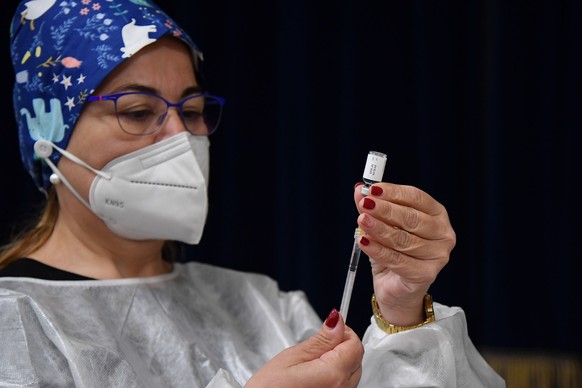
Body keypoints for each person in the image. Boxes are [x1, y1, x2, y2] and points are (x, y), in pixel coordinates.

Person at [1, 1, 505, 387]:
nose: (181, 137)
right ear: (48, 140)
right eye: (137, 111)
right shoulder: (16, 320)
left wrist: (402, 312)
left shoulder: (260, 305)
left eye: (193, 110)